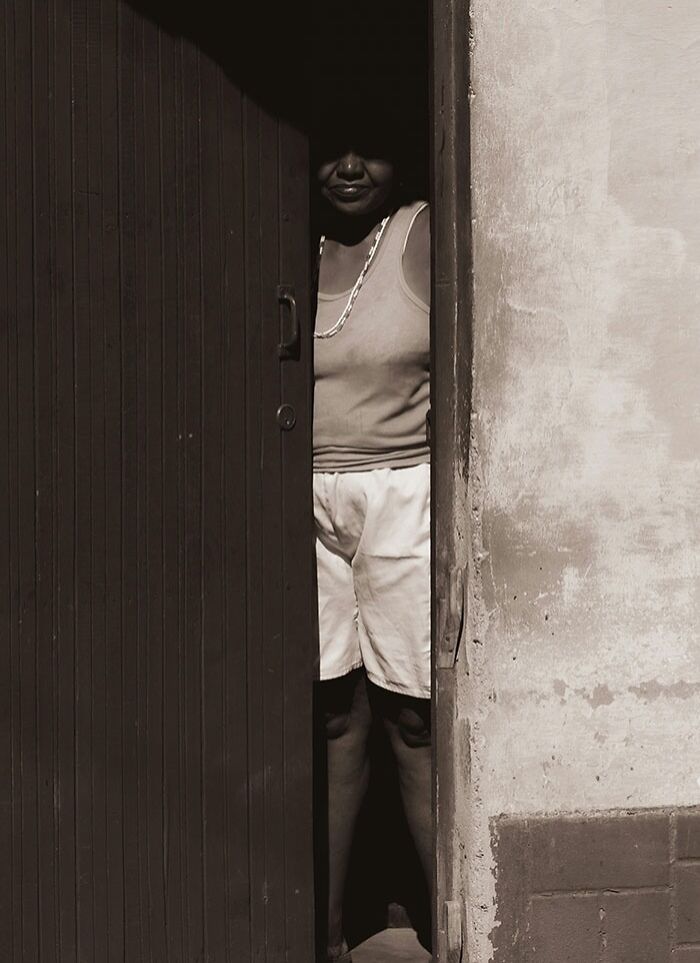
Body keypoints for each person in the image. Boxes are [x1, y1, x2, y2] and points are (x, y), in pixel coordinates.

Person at [313, 118, 432, 963]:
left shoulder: (422, 230)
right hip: (302, 497)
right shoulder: (285, 235)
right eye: (333, 148)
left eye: (371, 147)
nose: (350, 166)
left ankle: (449, 917)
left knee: (413, 717)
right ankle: (320, 932)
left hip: (404, 490)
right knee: (331, 715)